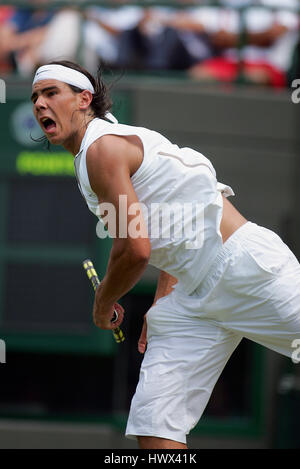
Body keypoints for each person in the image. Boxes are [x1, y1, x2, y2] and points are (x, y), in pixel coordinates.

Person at [31, 60, 300, 449]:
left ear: (83, 99)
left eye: (51, 93)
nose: (40, 103)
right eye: (36, 96)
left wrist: (103, 301)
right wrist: (164, 293)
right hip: (191, 296)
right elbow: (174, 216)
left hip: (244, 268)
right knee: (156, 426)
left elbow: (135, 249)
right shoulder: (98, 150)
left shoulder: (102, 150)